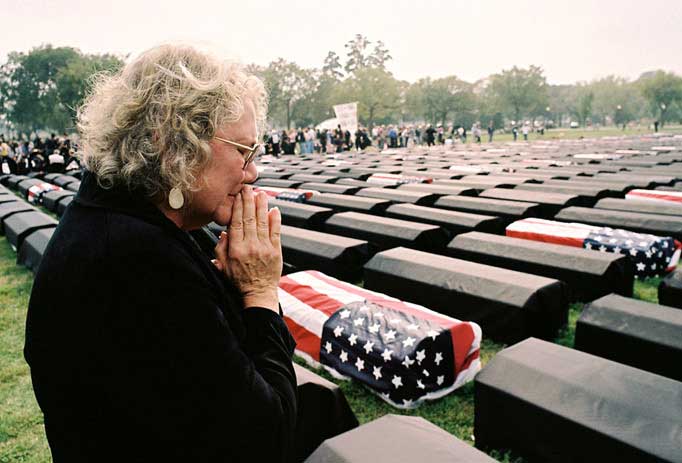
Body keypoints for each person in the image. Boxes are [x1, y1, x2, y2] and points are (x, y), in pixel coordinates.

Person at [24, 44, 297, 463]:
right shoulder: (135, 260)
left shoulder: (123, 222)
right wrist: (260, 292)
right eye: (243, 150)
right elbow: (263, 438)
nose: (252, 171)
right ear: (173, 143)